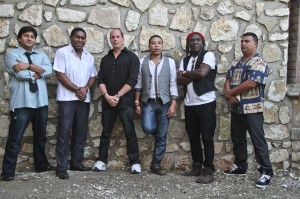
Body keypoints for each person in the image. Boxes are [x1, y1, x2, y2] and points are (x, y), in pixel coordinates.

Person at [1, 26, 53, 181]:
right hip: (22, 103)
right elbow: (21, 74)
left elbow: (48, 71)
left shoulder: (41, 55)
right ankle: (8, 172)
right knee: (15, 138)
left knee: (40, 137)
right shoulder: (12, 55)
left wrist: (28, 66)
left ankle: (41, 166)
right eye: (26, 36)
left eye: (32, 36)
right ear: (19, 39)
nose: (29, 38)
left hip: (40, 102)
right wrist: (37, 72)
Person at [223, 32, 273, 189]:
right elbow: (228, 79)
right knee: (238, 139)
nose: (243, 44)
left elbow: (252, 83)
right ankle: (241, 167)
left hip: (252, 109)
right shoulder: (236, 62)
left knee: (258, 141)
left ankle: (266, 171)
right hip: (237, 108)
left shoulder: (259, 62)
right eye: (242, 41)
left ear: (255, 44)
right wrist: (228, 95)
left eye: (247, 41)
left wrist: (231, 93)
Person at [93, 28, 141, 174]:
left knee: (130, 133)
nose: (115, 39)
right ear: (110, 39)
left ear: (123, 38)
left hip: (125, 102)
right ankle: (101, 161)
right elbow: (100, 79)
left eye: (117, 36)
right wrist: (107, 96)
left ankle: (135, 163)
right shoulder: (105, 59)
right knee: (105, 133)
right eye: (112, 37)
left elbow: (132, 80)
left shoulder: (132, 58)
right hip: (108, 102)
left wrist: (118, 96)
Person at [53, 27, 97, 179]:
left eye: (83, 38)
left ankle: (76, 163)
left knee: (80, 133)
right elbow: (60, 74)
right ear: (71, 37)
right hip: (67, 100)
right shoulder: (62, 53)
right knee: (64, 133)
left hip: (83, 100)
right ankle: (61, 167)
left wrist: (86, 89)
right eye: (77, 37)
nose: (80, 40)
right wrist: (77, 90)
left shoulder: (89, 56)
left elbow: (93, 76)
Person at [177, 32, 217, 184]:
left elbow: (203, 73)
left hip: (206, 102)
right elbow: (179, 80)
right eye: (192, 40)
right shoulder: (185, 59)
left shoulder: (208, 56)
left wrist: (186, 73)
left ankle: (208, 170)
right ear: (188, 44)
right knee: (193, 137)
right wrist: (191, 73)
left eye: (198, 40)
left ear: (202, 42)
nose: (195, 42)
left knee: (207, 138)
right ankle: (197, 166)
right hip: (190, 104)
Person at [135, 35, 178, 175]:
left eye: (159, 43)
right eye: (153, 43)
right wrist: (137, 102)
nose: (156, 45)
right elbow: (139, 83)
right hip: (148, 103)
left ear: (162, 45)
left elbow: (173, 84)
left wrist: (173, 104)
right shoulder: (143, 62)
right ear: (149, 46)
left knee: (162, 136)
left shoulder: (169, 62)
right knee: (148, 127)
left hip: (164, 103)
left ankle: (156, 165)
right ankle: (158, 129)